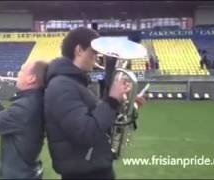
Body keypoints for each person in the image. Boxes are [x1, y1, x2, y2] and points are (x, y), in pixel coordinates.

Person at [44, 27, 143, 179]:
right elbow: (85, 132)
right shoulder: (62, 86)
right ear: (79, 50)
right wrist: (112, 100)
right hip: (84, 173)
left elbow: (99, 121)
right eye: (94, 52)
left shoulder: (74, 83)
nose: (97, 58)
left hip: (91, 169)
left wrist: (124, 104)